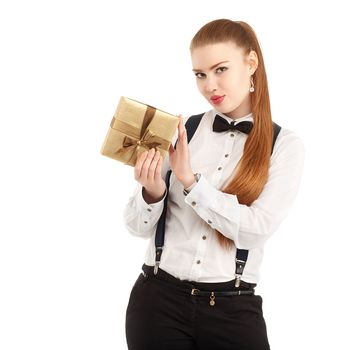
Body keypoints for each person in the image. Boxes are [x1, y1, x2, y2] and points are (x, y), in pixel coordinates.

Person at [122, 19, 305, 350]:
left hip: (232, 309)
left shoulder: (285, 145)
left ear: (251, 64)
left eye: (220, 69)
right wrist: (152, 193)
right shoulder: (182, 132)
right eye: (200, 74)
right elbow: (136, 227)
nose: (209, 85)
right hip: (156, 301)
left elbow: (255, 229)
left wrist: (191, 183)